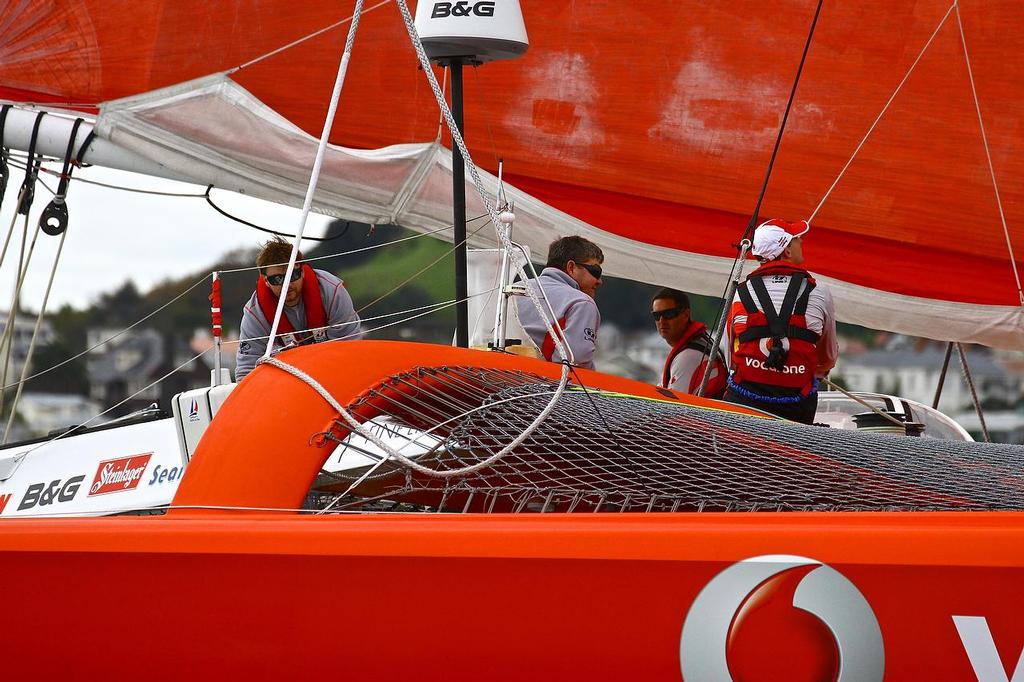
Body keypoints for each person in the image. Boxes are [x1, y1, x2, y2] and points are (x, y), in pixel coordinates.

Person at [724, 218, 838, 423]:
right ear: (786, 250)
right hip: (796, 404)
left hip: (744, 400)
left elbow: (729, 356)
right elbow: (828, 357)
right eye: (796, 239)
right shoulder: (820, 291)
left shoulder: (740, 292)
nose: (801, 242)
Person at [235, 237, 361, 380]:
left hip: (334, 373)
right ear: (266, 281)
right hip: (285, 382)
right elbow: (246, 370)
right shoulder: (255, 314)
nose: (287, 285)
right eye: (277, 279)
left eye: (293, 275)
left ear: (302, 272)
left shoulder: (332, 292)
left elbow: (350, 347)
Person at [515, 236, 603, 369]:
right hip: (540, 384)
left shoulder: (514, 288)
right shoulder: (581, 303)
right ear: (571, 267)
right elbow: (576, 361)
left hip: (491, 376)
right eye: (596, 271)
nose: (600, 281)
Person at [651, 288, 727, 398]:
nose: (662, 321)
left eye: (669, 314)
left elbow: (674, 406)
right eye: (656, 316)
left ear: (685, 315)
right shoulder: (700, 343)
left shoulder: (688, 357)